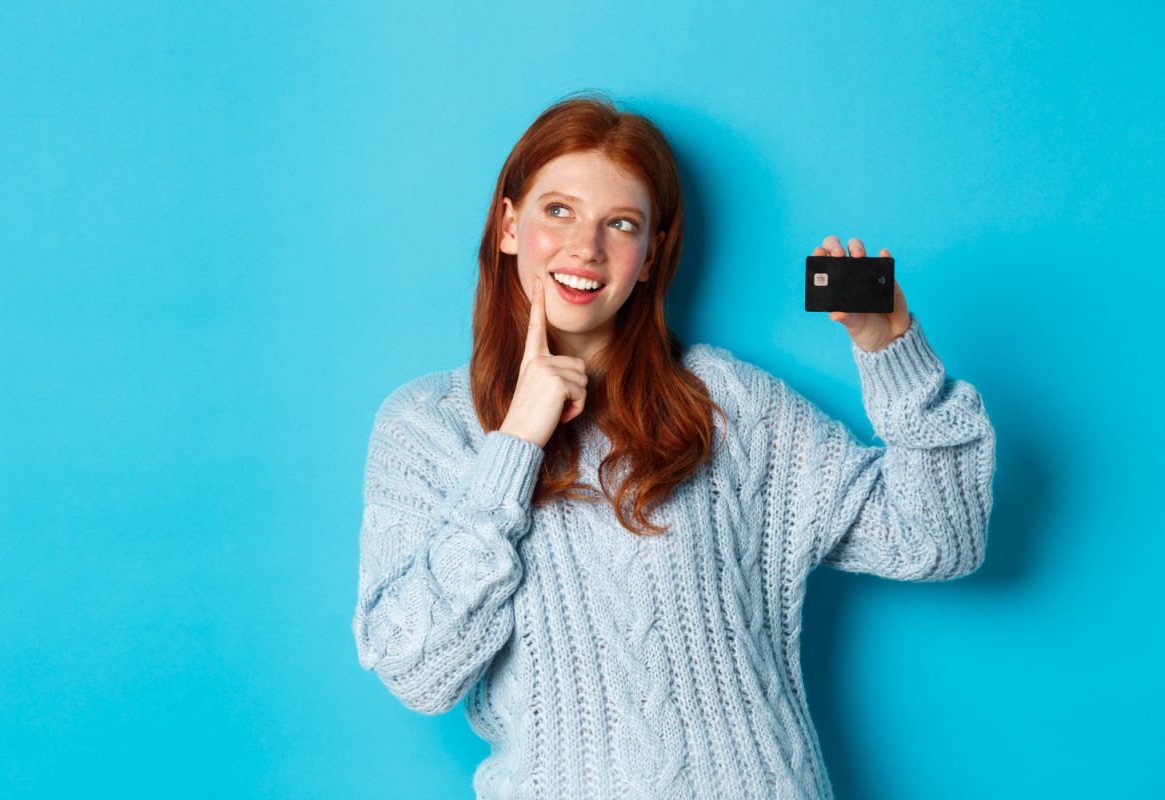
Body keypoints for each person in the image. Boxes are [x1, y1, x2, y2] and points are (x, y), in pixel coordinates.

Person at [352, 91, 996, 800]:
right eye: (557, 210)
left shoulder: (729, 403)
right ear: (509, 225)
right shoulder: (426, 426)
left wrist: (889, 349)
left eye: (619, 224)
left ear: (651, 255)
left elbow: (939, 539)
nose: (584, 248)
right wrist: (516, 446)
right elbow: (417, 672)